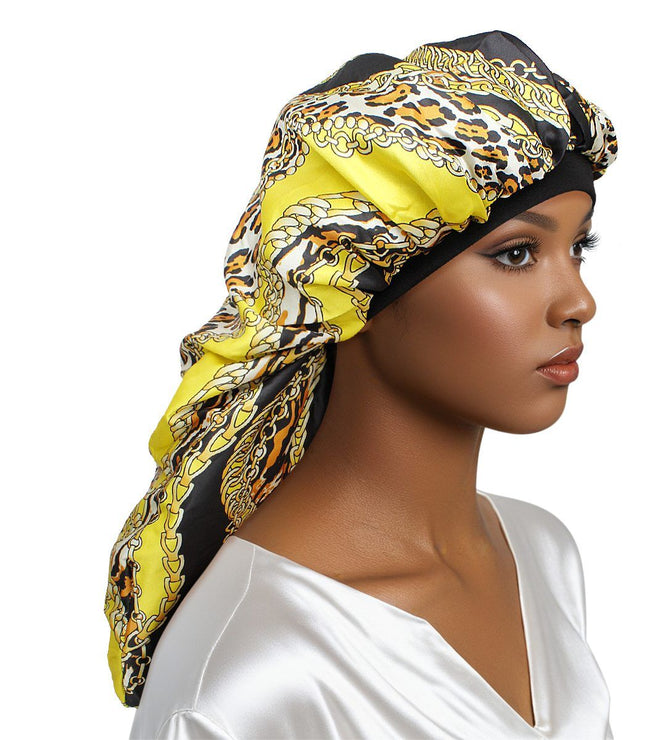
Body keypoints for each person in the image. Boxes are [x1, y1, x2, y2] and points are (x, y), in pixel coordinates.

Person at [107, 29, 618, 739]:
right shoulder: (248, 673)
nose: (579, 302)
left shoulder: (540, 552)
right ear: (356, 283)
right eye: (516, 254)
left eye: (579, 246)